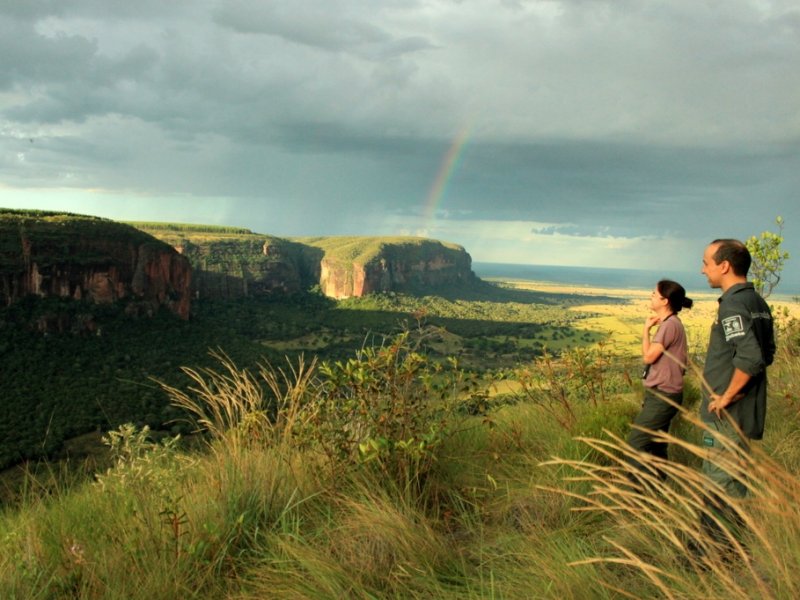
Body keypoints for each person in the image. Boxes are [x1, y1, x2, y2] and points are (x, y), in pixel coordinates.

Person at [700, 239, 775, 499]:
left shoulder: (732, 305)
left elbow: (751, 357)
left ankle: (716, 540)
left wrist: (727, 397)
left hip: (727, 416)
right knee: (736, 482)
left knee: (719, 486)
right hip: (747, 412)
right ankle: (736, 538)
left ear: (724, 266)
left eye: (706, 263)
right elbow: (767, 354)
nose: (703, 270)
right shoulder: (757, 302)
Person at [627, 279, 692, 474]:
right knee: (656, 444)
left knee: (636, 441)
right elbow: (650, 358)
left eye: (654, 294)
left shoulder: (669, 325)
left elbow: (648, 356)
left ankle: (638, 490)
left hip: (663, 395)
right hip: (661, 393)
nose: (651, 296)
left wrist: (645, 331)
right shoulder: (669, 324)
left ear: (665, 301)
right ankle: (658, 489)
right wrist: (647, 329)